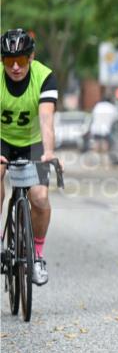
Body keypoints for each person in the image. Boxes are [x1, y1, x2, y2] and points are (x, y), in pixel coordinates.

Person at [0, 28, 58, 286]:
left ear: (31, 57)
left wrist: (48, 153)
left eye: (21, 60)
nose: (15, 67)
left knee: (40, 197)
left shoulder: (44, 77)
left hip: (34, 142)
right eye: (8, 61)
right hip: (2, 139)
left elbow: (46, 120)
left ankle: (36, 255)